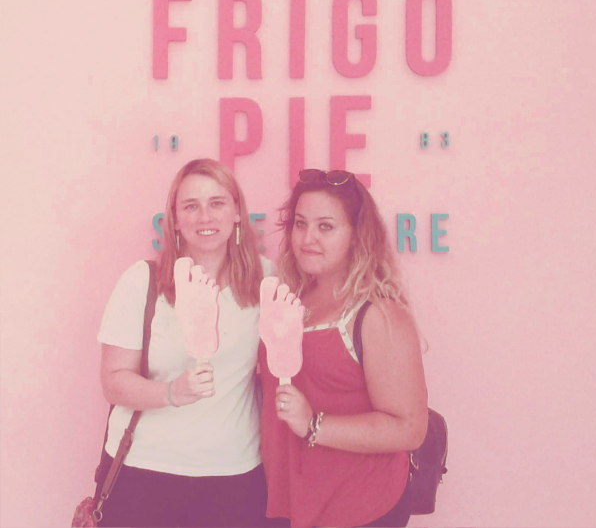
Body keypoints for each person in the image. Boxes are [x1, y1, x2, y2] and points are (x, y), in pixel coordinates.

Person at [96, 158, 272, 527]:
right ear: (175, 219)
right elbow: (113, 381)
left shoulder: (267, 280)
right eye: (191, 206)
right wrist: (171, 392)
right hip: (144, 471)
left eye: (217, 203)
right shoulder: (142, 282)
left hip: (234, 475)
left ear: (237, 212)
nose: (205, 217)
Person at [259, 169, 429, 528]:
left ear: (356, 236)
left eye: (326, 226)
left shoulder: (377, 314)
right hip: (290, 501)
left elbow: (409, 428)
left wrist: (313, 424)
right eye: (300, 224)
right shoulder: (291, 301)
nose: (308, 238)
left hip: (358, 506)